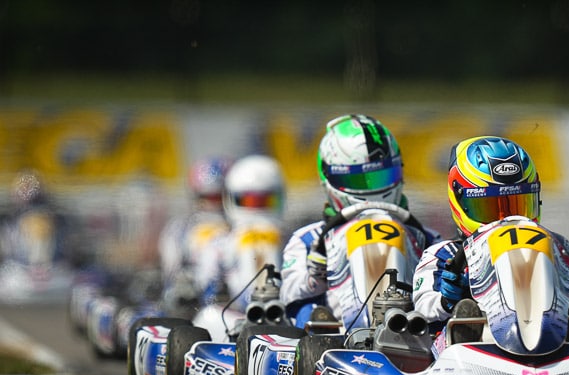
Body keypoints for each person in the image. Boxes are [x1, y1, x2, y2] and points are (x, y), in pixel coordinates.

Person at [411, 136, 569, 358]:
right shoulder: (444, 254)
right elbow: (421, 307)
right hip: (473, 353)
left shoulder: (549, 251)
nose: (505, 220)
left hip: (548, 343)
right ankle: (466, 329)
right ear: (460, 202)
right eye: (489, 208)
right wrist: (446, 300)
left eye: (516, 205)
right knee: (460, 321)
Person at [279, 113, 440, 330]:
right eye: (357, 179)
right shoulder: (309, 240)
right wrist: (314, 275)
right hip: (335, 336)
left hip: (413, 328)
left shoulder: (426, 238)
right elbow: (287, 291)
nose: (371, 189)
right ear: (329, 178)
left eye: (381, 177)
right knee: (303, 307)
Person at [194, 154, 286, 313]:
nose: (256, 209)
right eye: (249, 201)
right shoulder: (220, 243)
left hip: (283, 315)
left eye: (264, 201)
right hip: (234, 318)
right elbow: (205, 285)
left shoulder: (292, 240)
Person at [157, 157, 231, 312]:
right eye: (207, 197)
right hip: (190, 307)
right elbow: (170, 273)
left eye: (218, 197)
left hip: (231, 303)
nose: (213, 204)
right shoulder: (180, 230)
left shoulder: (239, 230)